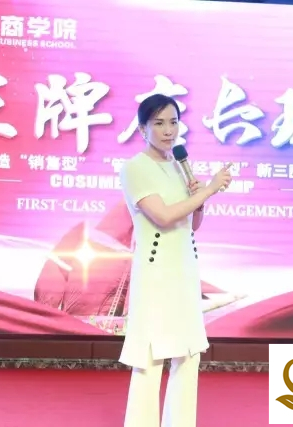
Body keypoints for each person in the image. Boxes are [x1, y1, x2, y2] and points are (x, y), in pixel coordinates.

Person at [119, 93, 233, 427]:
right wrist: (209, 190)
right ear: (142, 129)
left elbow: (191, 225)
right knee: (151, 356)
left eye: (173, 122)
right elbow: (164, 216)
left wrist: (199, 199)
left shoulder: (179, 165)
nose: (168, 130)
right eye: (159, 123)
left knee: (188, 353)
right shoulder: (135, 168)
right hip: (156, 273)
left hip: (184, 270)